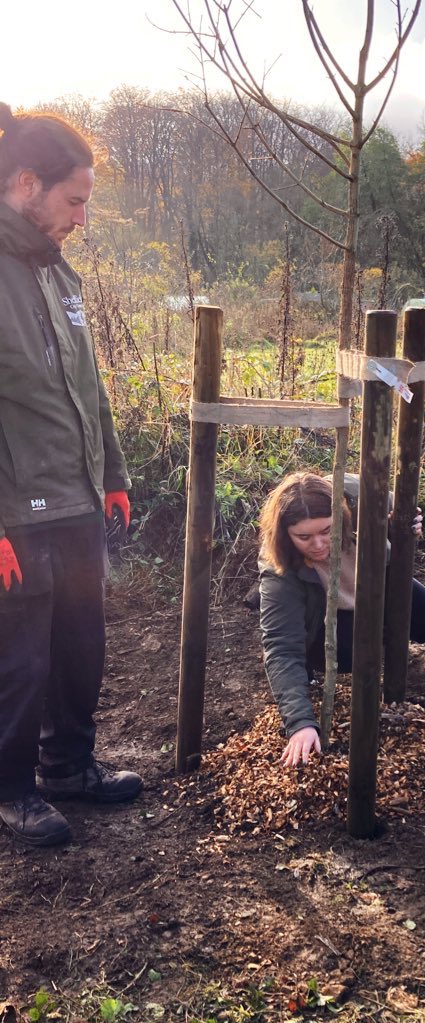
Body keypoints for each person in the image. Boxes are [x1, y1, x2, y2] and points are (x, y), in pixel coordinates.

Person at [0, 103, 142, 847]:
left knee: (81, 644)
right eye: (75, 200)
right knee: (19, 659)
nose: (83, 217)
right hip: (14, 511)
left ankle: (68, 767)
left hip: (78, 497)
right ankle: (12, 789)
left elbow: (90, 387)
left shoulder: (61, 275)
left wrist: (112, 472)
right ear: (26, 184)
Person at [258, 471, 425, 768]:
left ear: (342, 516)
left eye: (327, 530)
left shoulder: (355, 495)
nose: (320, 544)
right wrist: (300, 723)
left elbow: (395, 503)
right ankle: (338, 655)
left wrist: (402, 522)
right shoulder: (279, 570)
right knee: (351, 656)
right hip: (329, 620)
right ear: (286, 534)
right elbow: (281, 647)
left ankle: (383, 635)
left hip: (373, 582)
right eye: (304, 537)